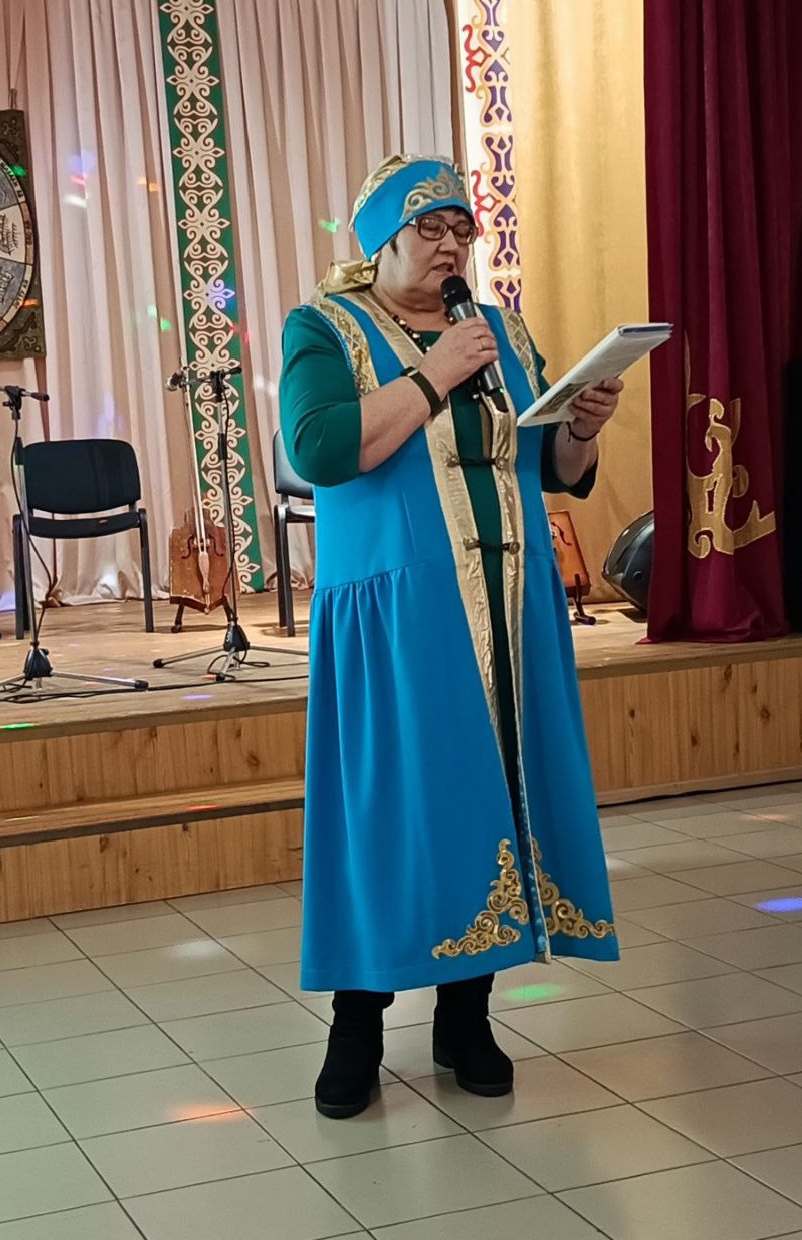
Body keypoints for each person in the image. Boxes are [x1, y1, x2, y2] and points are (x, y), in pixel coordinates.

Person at [280, 154, 623, 1120]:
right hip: (397, 614)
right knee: (393, 807)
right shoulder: (325, 326)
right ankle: (356, 1022)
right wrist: (433, 375)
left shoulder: (498, 330)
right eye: (427, 228)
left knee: (494, 794)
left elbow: (549, 463)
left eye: (460, 230)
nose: (448, 246)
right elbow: (319, 449)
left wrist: (583, 425)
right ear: (380, 242)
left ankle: (466, 1016)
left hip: (508, 606)